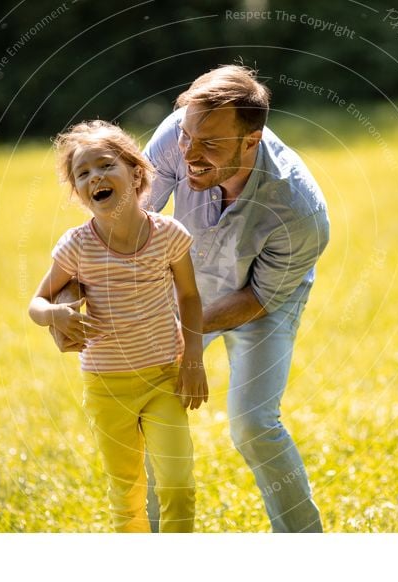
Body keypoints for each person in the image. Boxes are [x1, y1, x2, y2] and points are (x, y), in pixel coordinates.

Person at [143, 65, 329, 533]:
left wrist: (184, 332)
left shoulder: (298, 210)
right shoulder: (176, 138)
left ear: (252, 140)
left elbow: (258, 299)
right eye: (188, 136)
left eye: (210, 144)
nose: (191, 153)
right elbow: (128, 222)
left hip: (261, 300)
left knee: (252, 424)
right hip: (188, 286)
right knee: (149, 413)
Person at [28, 120, 208, 533]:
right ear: (79, 192)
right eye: (83, 174)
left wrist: (194, 359)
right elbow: (36, 304)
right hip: (107, 387)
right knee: (126, 495)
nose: (95, 177)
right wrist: (55, 314)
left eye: (105, 165)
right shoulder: (76, 245)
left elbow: (191, 298)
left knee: (178, 485)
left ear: (136, 172)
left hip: (165, 376)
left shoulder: (169, 236)